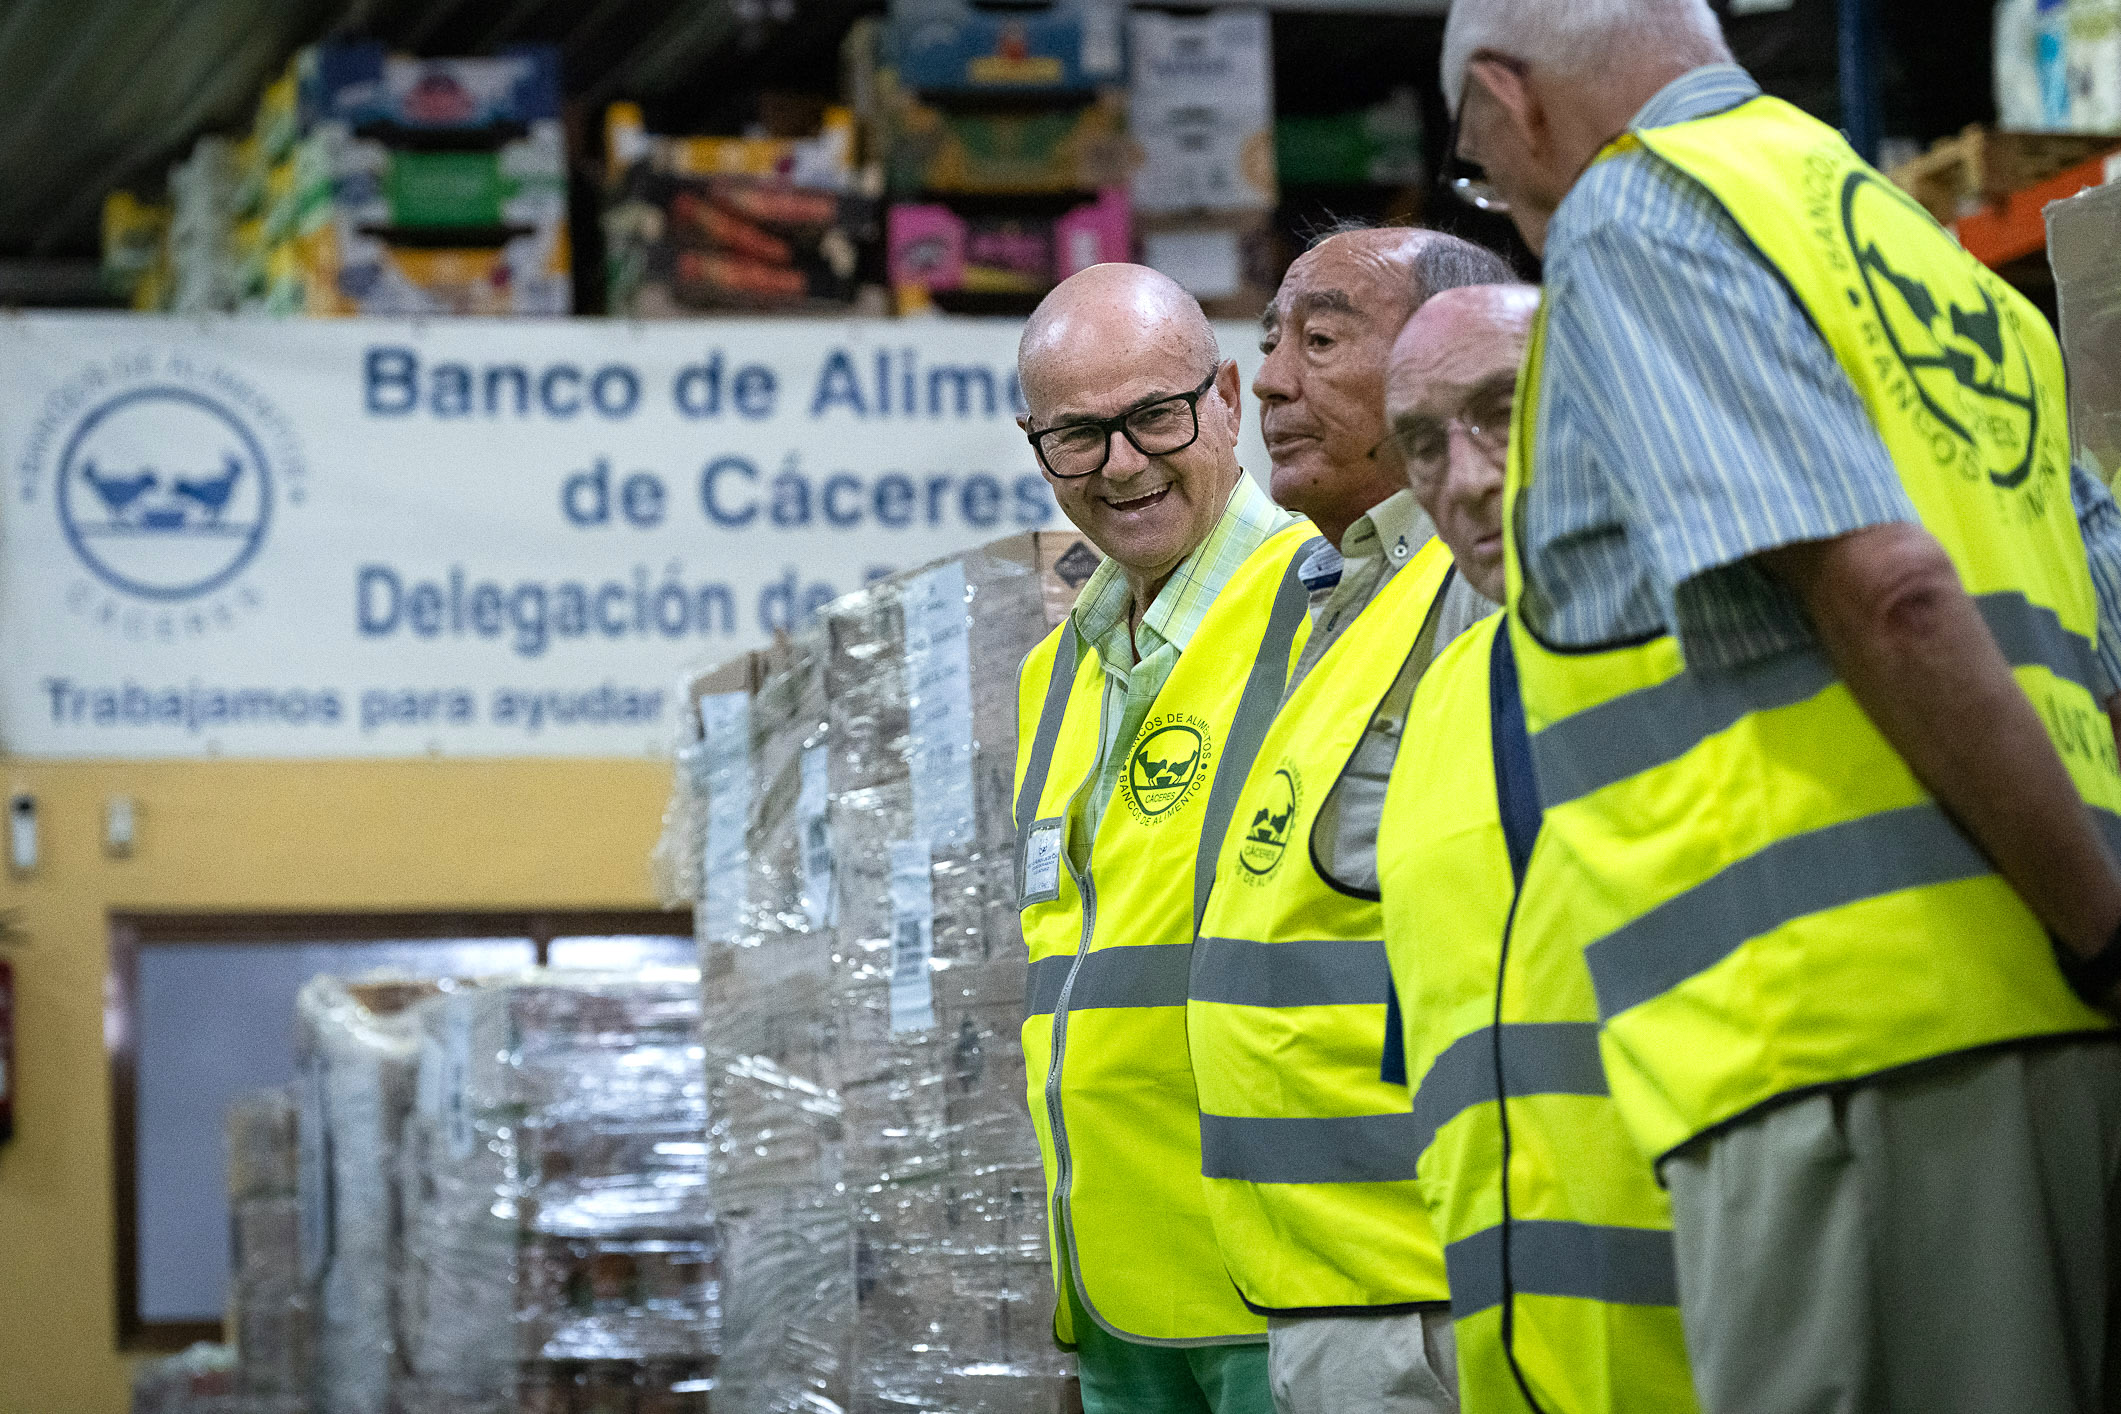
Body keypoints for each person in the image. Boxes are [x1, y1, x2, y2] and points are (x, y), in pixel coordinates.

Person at [1439, 1, 2121, 1408]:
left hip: (1846, 1050)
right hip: (2033, 1020)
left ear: (1508, 102)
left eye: (1473, 164)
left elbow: (1891, 594)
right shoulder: (1908, 252)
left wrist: (2108, 928)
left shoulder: (1638, 218)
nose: (1497, 207)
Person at [1187, 228, 1512, 1414]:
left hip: (1434, 1297)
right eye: (1271, 341)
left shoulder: (1483, 587)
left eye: (1320, 339)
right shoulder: (1332, 601)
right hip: (1328, 1293)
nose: (1269, 379)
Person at [1375, 283, 1701, 1414]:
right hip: (1522, 1366)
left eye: (1504, 412)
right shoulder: (1441, 707)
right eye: (1421, 444)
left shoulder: (1744, 645)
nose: (1463, 481)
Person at [1010, 262, 1316, 1414]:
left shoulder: (1325, 610)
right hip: (1115, 1297)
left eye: (1155, 416)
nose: (1123, 464)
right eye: (1078, 436)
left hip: (1278, 1292)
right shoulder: (1058, 674)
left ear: (1228, 396)